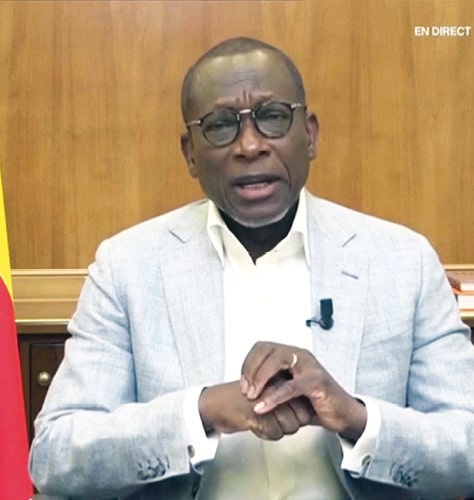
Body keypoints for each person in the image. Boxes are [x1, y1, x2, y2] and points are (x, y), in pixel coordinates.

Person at [29, 37, 474, 499]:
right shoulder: (127, 267)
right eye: (221, 125)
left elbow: (467, 445)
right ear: (190, 153)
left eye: (273, 116)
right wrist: (199, 412)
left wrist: (354, 417)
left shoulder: (403, 262)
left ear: (310, 135)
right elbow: (56, 454)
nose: (250, 145)